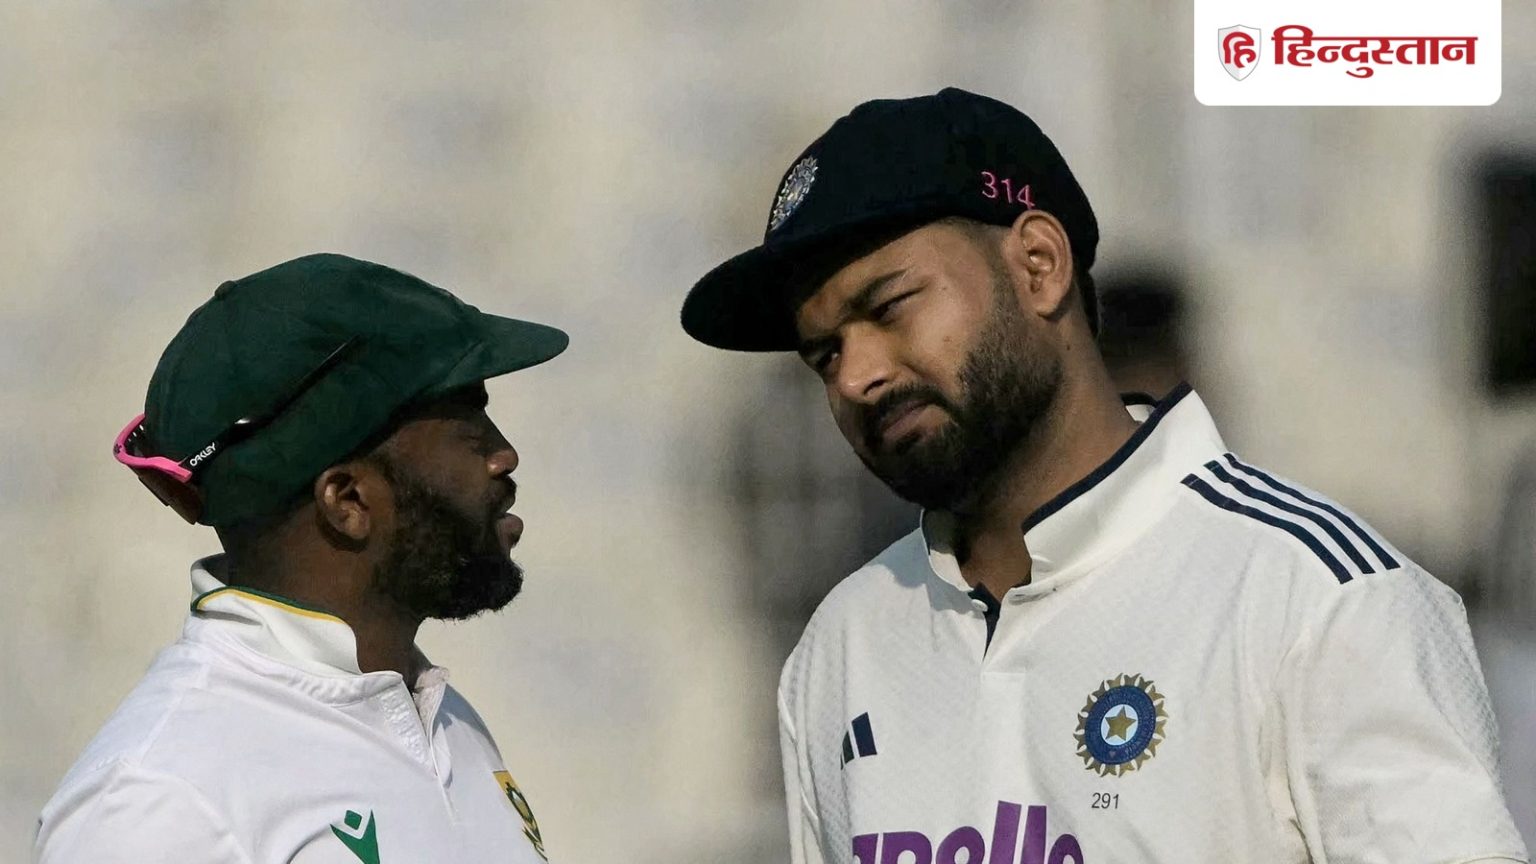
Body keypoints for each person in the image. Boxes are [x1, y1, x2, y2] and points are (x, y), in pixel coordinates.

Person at [681, 88, 1528, 863]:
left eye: (889, 306)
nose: (857, 375)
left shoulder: (1315, 599)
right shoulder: (843, 646)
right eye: (825, 353)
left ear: (1038, 263)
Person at [36, 253, 566, 863]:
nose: (505, 456)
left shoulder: (448, 722)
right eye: (468, 430)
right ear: (348, 501)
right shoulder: (159, 800)